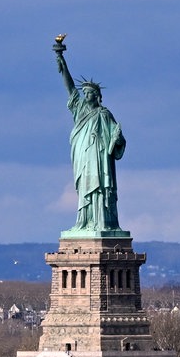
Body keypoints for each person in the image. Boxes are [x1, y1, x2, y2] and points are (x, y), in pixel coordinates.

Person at [56, 51, 126, 232]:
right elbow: (70, 89)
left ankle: (103, 221)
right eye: (84, 93)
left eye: (89, 93)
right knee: (85, 187)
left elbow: (116, 138)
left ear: (97, 96)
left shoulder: (104, 114)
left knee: (101, 187)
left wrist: (117, 140)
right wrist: (63, 65)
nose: (86, 95)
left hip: (100, 157)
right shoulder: (79, 109)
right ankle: (85, 221)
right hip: (83, 155)